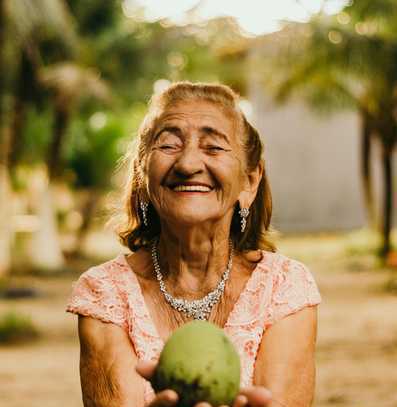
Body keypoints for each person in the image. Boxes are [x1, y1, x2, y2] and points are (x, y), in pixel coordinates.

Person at [66, 81, 322, 407]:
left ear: (249, 181)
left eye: (214, 147)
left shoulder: (285, 289)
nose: (188, 165)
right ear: (143, 175)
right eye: (169, 145)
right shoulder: (104, 294)